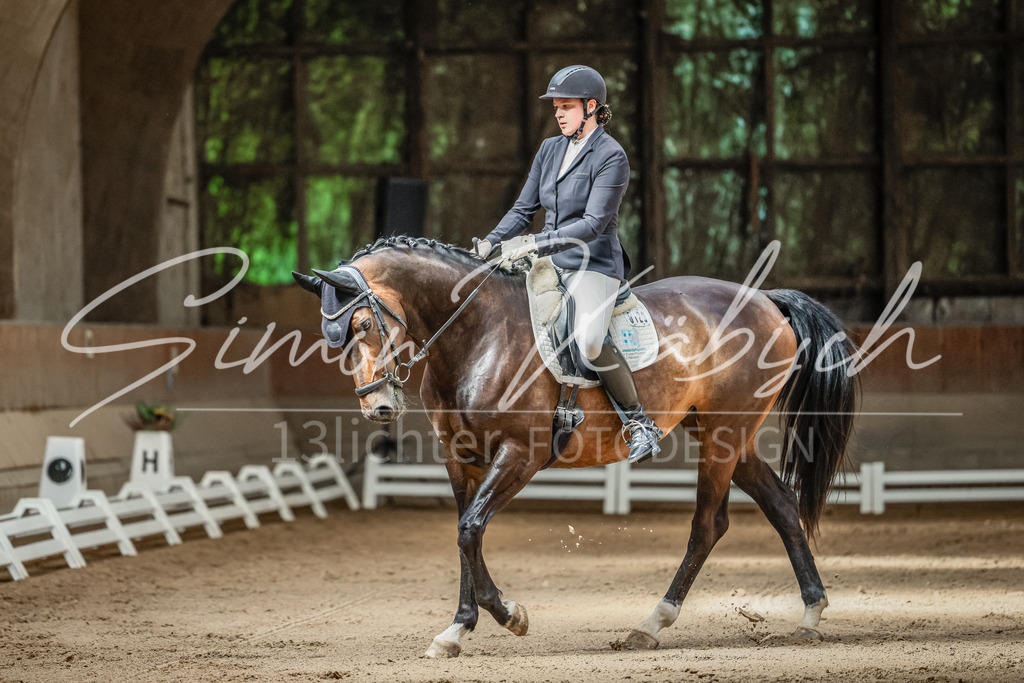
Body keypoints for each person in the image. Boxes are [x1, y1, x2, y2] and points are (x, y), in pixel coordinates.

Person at [473, 65, 662, 463]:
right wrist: (491, 241)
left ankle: (639, 423)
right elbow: (523, 209)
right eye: (556, 107)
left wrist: (534, 243)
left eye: (567, 107)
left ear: (591, 107)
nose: (558, 114)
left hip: (593, 265)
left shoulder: (611, 156)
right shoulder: (549, 149)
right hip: (548, 263)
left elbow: (593, 224)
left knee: (590, 341)